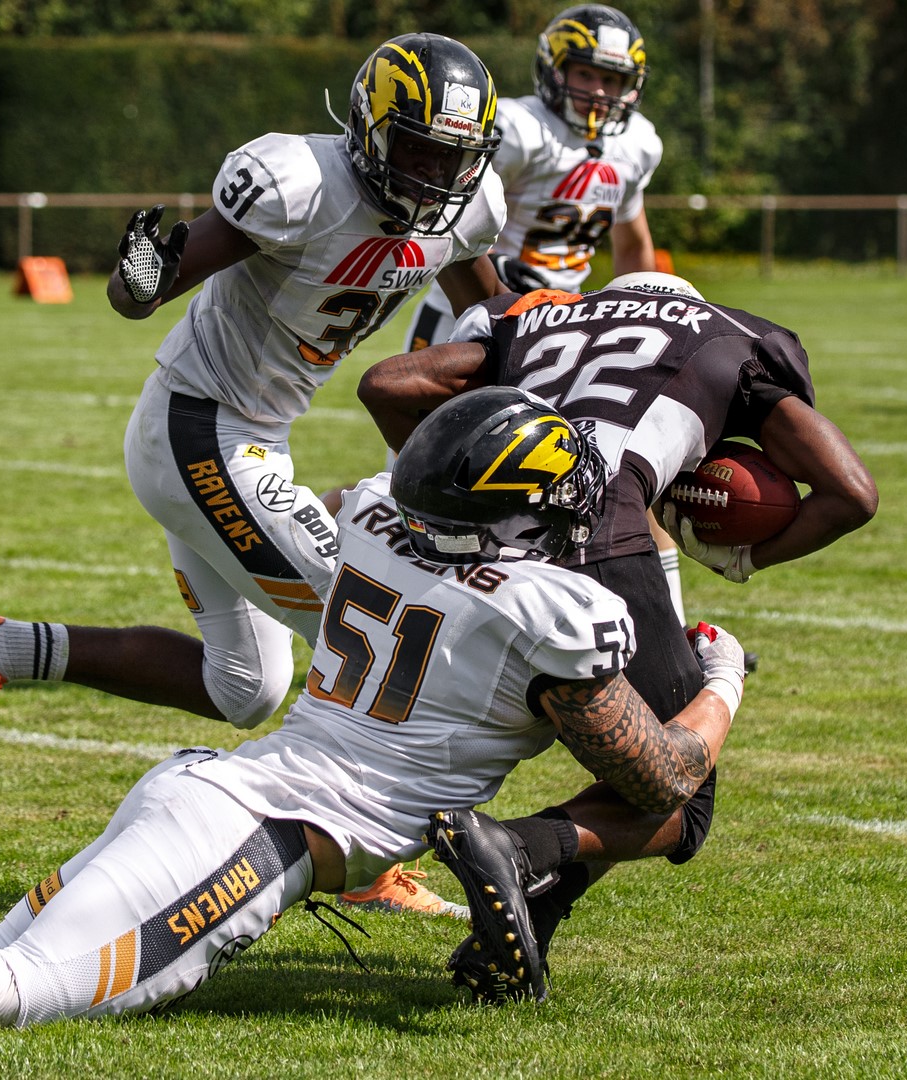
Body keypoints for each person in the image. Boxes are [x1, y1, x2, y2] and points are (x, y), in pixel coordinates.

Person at [0, 389, 751, 1040]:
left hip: (215, 784)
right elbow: (660, 781)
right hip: (268, 837)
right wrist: (722, 677)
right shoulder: (552, 608)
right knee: (14, 993)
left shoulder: (371, 518)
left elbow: (264, 533)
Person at [0, 33, 511, 917]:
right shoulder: (300, 184)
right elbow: (145, 292)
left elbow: (490, 312)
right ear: (369, 129)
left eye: (452, 158)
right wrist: (135, 274)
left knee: (246, 689)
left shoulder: (465, 210)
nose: (433, 177)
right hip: (199, 427)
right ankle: (359, 857)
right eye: (418, 149)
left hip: (253, 440)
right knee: (378, 628)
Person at [356, 270, 878, 997]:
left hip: (477, 546)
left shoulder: (541, 321)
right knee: (676, 797)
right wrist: (744, 555)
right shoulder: (723, 338)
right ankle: (516, 847)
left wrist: (454, 507)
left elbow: (388, 382)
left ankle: (532, 916)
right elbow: (852, 493)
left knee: (624, 751)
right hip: (595, 523)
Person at [388, 4, 696, 628]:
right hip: (478, 316)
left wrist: (645, 308)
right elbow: (450, 213)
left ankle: (666, 632)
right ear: (554, 70)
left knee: (613, 477)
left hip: (565, 328)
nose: (600, 91)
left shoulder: (637, 144)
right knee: (428, 479)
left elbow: (630, 238)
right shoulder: (521, 129)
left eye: (613, 79)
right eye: (587, 74)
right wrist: (501, 302)